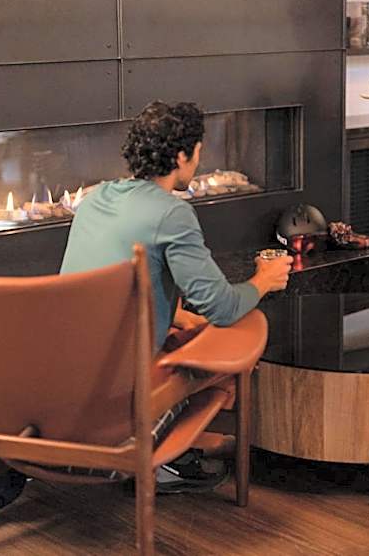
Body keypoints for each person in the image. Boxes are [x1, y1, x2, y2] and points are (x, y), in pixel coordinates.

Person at [61, 100, 293, 491]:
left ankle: (172, 449)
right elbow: (221, 307)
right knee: (243, 335)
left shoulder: (94, 198)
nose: (199, 163)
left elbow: (112, 286)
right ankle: (166, 458)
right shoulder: (172, 214)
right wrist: (263, 280)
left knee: (190, 327)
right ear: (182, 156)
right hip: (121, 382)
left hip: (67, 366)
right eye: (198, 153)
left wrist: (176, 315)